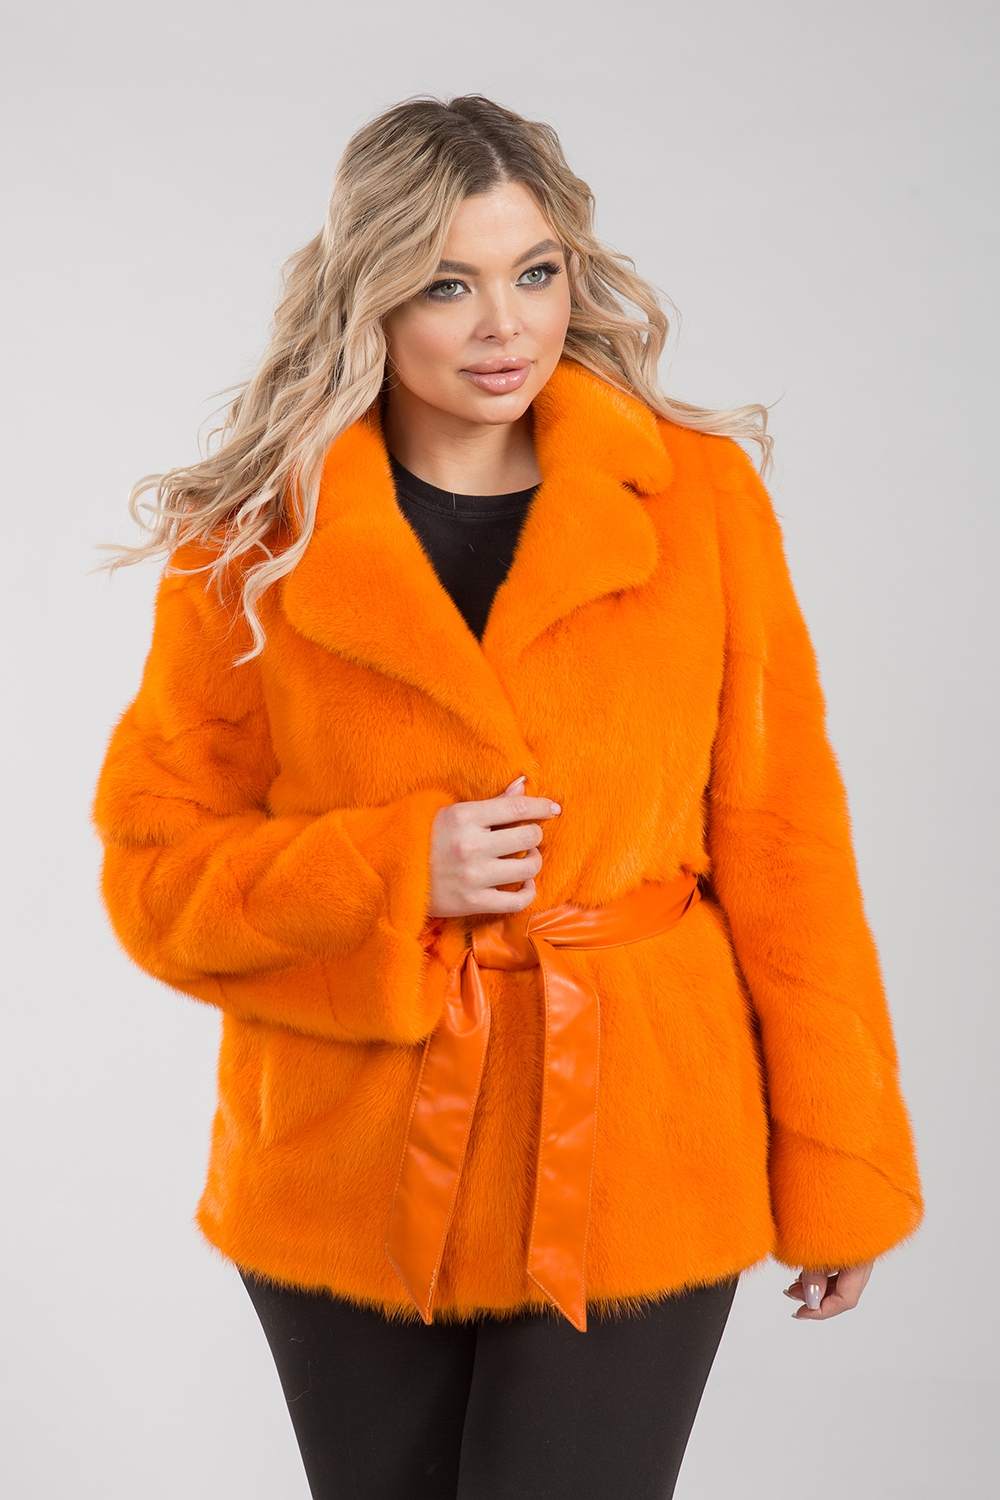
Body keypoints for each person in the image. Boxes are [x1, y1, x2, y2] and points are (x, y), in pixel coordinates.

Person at [93, 94, 923, 1500]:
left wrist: (843, 1161)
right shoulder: (251, 542)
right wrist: (393, 868)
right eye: (447, 283)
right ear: (368, 294)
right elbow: (155, 877)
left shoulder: (696, 498)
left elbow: (787, 840)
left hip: (638, 1141)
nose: (505, 326)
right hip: (348, 1160)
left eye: (535, 272)